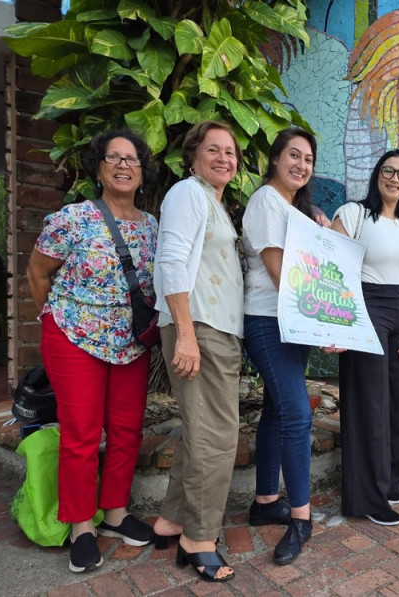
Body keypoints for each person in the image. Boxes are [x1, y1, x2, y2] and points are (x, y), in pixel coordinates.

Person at [26, 129, 158, 572]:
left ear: (143, 171)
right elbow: (37, 273)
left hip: (130, 342)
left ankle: (116, 513)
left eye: (132, 159)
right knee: (81, 434)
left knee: (126, 430)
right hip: (73, 337)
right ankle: (82, 525)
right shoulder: (73, 218)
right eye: (113, 158)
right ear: (98, 167)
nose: (124, 166)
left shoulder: (153, 227)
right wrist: (55, 318)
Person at [151, 121, 245, 583]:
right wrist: (185, 333)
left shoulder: (212, 202)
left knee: (199, 430)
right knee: (218, 436)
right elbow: (170, 260)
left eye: (230, 151)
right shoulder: (188, 194)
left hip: (214, 329)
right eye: (214, 149)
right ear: (193, 156)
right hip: (200, 327)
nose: (224, 158)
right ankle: (199, 538)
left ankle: (171, 521)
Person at [331, 150, 399, 525]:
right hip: (365, 306)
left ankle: (388, 482)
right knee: (368, 403)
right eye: (388, 170)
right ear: (376, 175)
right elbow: (332, 263)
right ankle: (368, 499)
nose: (395, 178)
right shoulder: (354, 214)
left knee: (396, 403)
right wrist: (339, 321)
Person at [242, 128, 323, 565]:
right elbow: (278, 270)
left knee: (277, 409)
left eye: (308, 159)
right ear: (275, 159)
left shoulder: (294, 208)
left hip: (293, 322)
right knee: (295, 411)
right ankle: (300, 517)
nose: (302, 165)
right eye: (294, 155)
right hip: (268, 319)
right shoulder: (266, 202)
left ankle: (265, 501)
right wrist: (327, 324)